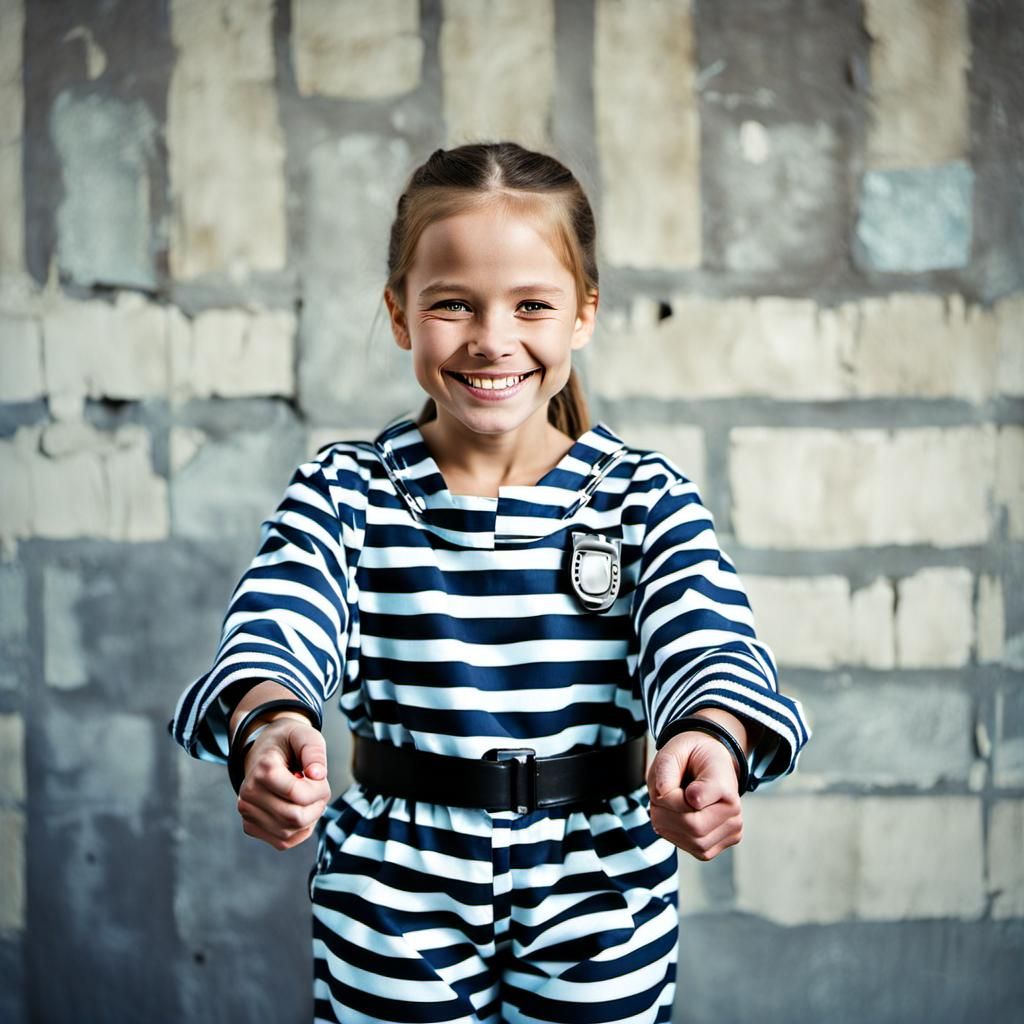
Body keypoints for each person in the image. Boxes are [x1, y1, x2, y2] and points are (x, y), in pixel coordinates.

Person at [171, 141, 810, 1024]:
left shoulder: (645, 497)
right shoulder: (345, 490)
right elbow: (282, 617)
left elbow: (708, 641)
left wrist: (714, 735)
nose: (492, 339)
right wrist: (268, 717)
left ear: (583, 315)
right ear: (399, 315)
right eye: (453, 305)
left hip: (604, 879)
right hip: (392, 887)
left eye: (532, 305)